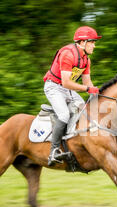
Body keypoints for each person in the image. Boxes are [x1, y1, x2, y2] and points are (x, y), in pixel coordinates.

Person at [43, 26, 101, 166]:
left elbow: (87, 82)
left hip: (67, 88)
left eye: (94, 42)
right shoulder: (68, 54)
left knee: (84, 110)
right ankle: (54, 151)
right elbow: (66, 82)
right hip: (54, 87)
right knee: (64, 115)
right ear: (82, 43)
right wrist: (88, 88)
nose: (94, 45)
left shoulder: (86, 60)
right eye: (92, 42)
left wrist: (95, 95)